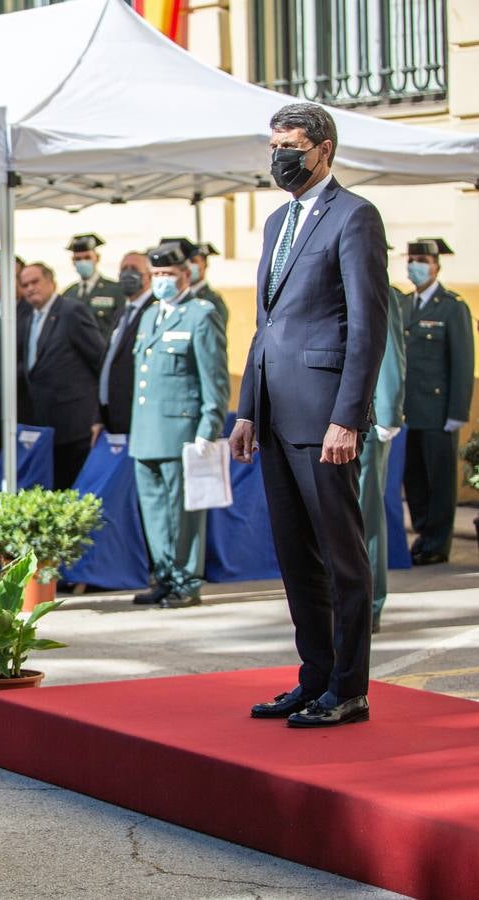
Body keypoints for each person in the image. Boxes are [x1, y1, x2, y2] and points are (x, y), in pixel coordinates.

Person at [233, 102, 388, 728]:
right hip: (273, 414)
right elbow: (265, 324)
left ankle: (349, 687)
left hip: (325, 419)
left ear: (323, 148)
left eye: (290, 145)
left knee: (340, 558)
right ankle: (315, 678)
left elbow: (367, 326)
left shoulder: (355, 216)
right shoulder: (277, 221)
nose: (280, 157)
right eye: (273, 146)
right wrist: (246, 408)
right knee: (296, 559)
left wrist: (348, 418)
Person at [128, 243, 229, 609]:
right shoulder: (149, 315)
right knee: (154, 511)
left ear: (186, 274)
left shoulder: (200, 315)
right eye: (155, 276)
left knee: (182, 514)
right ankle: (165, 575)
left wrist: (209, 426)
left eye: (168, 275)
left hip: (181, 431)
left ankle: (186, 580)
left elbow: (214, 378)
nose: (162, 282)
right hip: (146, 432)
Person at [401, 237, 473, 566]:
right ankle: (423, 534)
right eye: (411, 259)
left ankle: (437, 542)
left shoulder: (452, 306)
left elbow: (462, 363)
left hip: (438, 410)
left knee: (439, 479)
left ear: (435, 265)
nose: (415, 265)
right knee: (413, 478)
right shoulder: (402, 305)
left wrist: (458, 411)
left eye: (421, 260)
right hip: (406, 410)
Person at [14, 262, 106, 488]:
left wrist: (100, 415)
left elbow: (99, 360)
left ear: (51, 282)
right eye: (25, 284)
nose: (30, 288)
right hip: (44, 424)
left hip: (75, 425)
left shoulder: (71, 312)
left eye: (35, 282)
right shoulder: (28, 318)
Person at [361, 274, 406, 633]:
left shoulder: (378, 288)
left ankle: (370, 601)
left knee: (365, 513)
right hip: (329, 421)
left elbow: (389, 353)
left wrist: (387, 415)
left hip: (367, 421)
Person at [95, 251, 153, 439]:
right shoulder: (122, 312)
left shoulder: (154, 310)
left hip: (135, 415)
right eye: (124, 269)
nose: (128, 274)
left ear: (149, 275)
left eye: (134, 269)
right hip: (110, 414)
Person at [61, 233, 126, 335]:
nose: (83, 262)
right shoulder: (68, 294)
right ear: (73, 261)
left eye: (87, 257)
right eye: (78, 259)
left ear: (97, 258)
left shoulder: (115, 291)